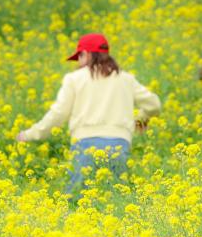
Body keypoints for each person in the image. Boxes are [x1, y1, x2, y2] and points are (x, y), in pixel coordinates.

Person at [17, 33, 161, 199]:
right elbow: (154, 105)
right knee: (116, 200)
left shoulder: (74, 79)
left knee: (77, 200)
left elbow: (58, 113)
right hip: (119, 144)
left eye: (79, 56)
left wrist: (31, 134)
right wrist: (139, 120)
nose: (78, 62)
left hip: (85, 144)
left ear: (86, 54)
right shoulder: (126, 79)